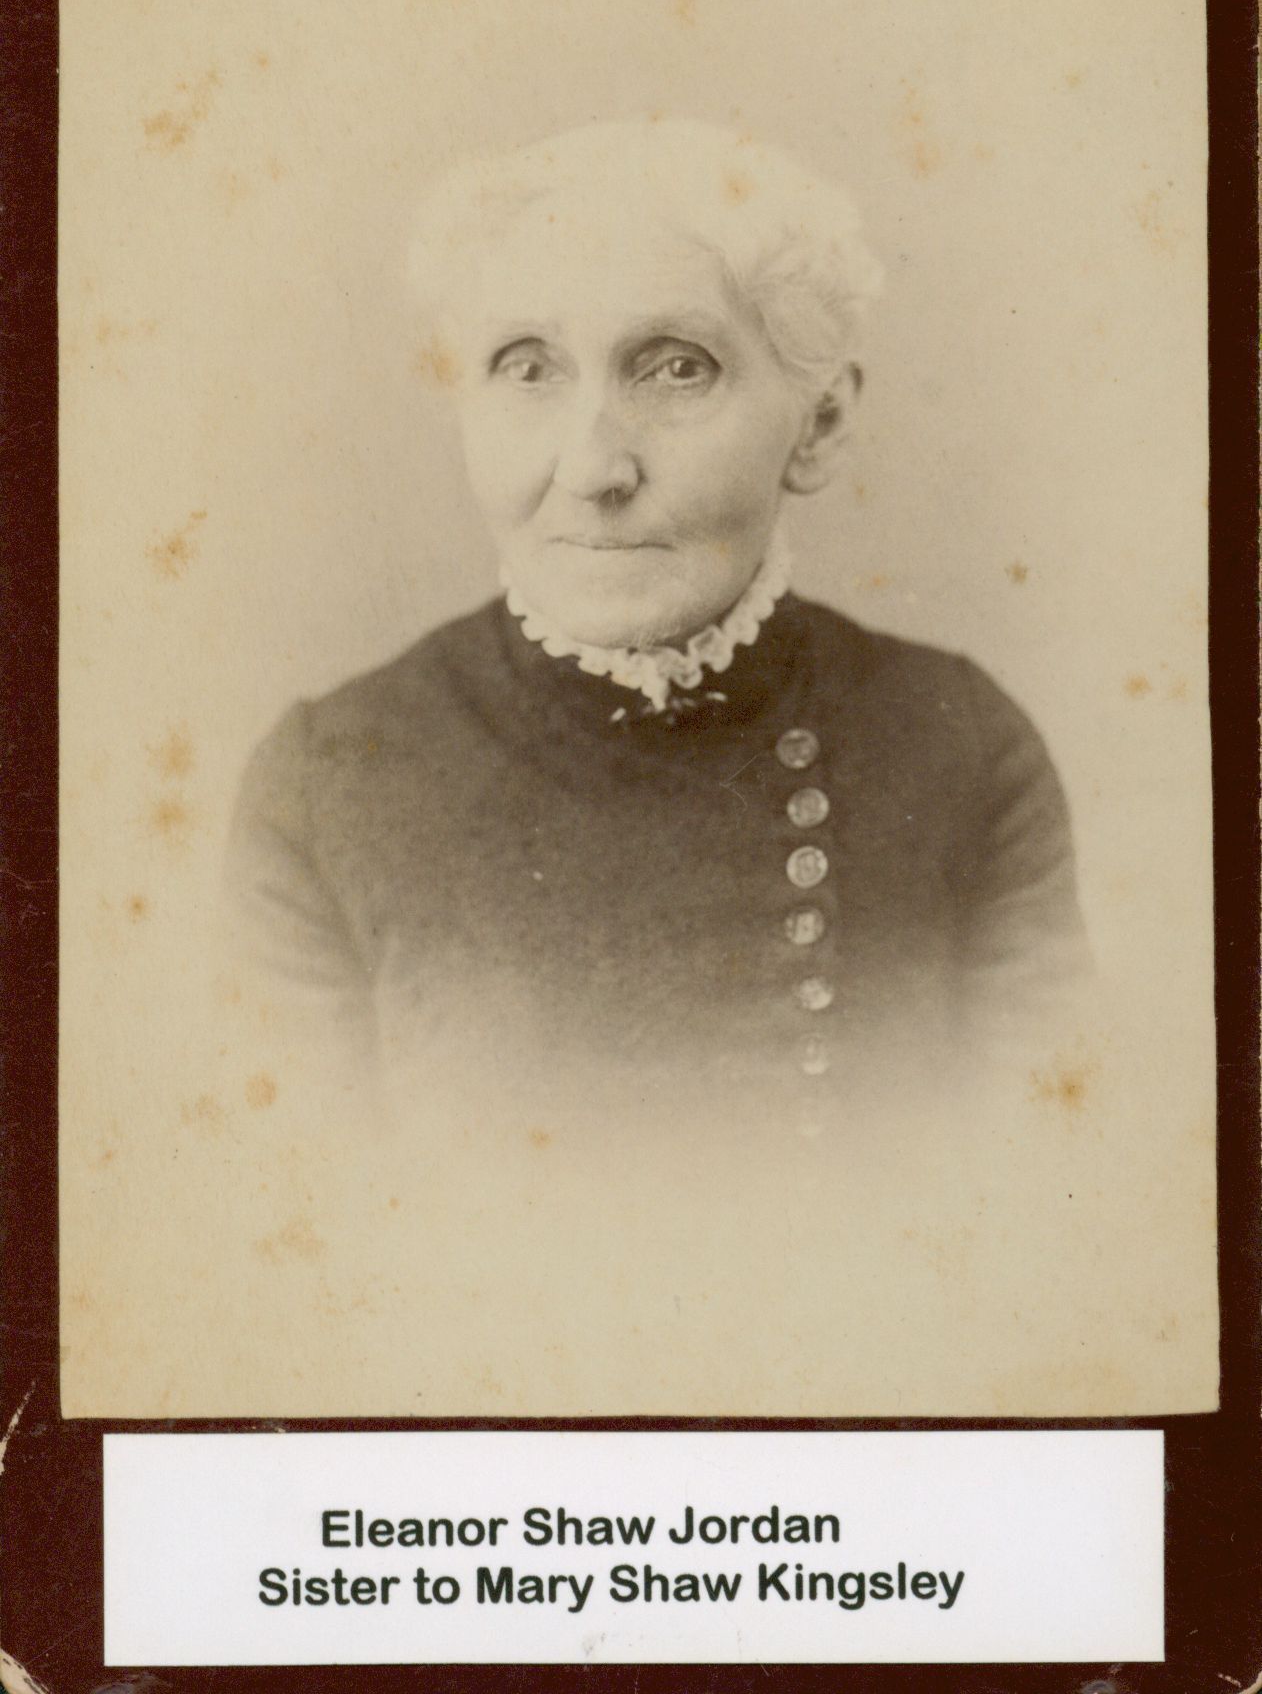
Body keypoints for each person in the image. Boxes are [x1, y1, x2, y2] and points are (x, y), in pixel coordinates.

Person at [223, 118, 1090, 1136]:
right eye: (527, 368)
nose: (594, 468)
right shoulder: (326, 787)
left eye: (676, 368)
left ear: (818, 426)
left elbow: (1044, 1183)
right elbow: (301, 1214)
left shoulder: (960, 747)